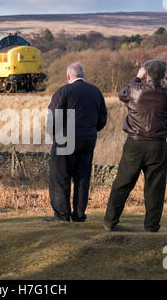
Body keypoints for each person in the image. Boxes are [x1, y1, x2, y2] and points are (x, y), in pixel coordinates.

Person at [104, 60, 167, 232]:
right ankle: (151, 226)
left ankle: (110, 221)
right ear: (162, 75)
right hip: (158, 145)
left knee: (123, 183)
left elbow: (122, 93)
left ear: (146, 73)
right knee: (155, 187)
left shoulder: (135, 90)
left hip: (135, 143)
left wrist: (137, 77)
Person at [43, 62, 107, 223]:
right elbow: (102, 118)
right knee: (82, 177)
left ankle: (62, 215)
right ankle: (79, 215)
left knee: (60, 177)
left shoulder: (64, 91)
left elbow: (54, 116)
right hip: (88, 138)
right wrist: (91, 130)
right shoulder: (95, 91)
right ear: (83, 75)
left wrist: (54, 135)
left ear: (68, 76)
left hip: (66, 138)